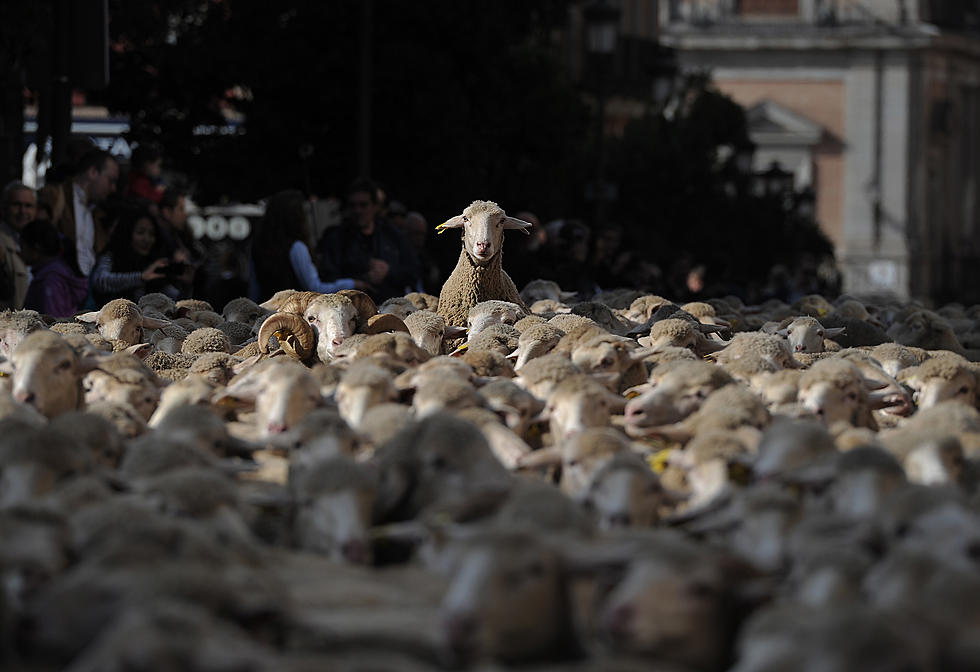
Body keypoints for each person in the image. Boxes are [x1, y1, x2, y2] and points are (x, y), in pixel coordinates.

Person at [315, 178, 420, 303]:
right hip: (352, 308)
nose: (358, 211)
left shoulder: (392, 235)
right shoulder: (337, 239)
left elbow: (413, 272)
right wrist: (356, 281)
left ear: (375, 206)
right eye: (353, 205)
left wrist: (389, 271)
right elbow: (327, 278)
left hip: (391, 307)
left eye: (363, 205)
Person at [251, 189, 367, 300]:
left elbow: (253, 291)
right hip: (291, 316)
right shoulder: (296, 247)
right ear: (295, 217)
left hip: (266, 315)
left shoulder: (257, 245)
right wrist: (352, 283)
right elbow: (315, 288)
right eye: (305, 212)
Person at [50, 147, 120, 279]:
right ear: (92, 172)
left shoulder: (97, 214)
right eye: (110, 180)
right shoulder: (55, 197)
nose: (113, 188)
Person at [89, 206, 179, 305]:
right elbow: (100, 281)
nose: (146, 239)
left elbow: (170, 296)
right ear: (127, 233)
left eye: (152, 234)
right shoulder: (111, 255)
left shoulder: (152, 262)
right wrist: (141, 277)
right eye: (140, 232)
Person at [19, 219, 88, 317]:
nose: (21, 252)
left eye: (22, 247)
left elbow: (53, 322)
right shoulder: (53, 273)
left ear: (36, 248)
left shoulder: (51, 280)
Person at [0, 181, 36, 309]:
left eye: (28, 206)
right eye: (16, 205)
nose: (23, 211)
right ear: (4, 208)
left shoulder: (38, 242)